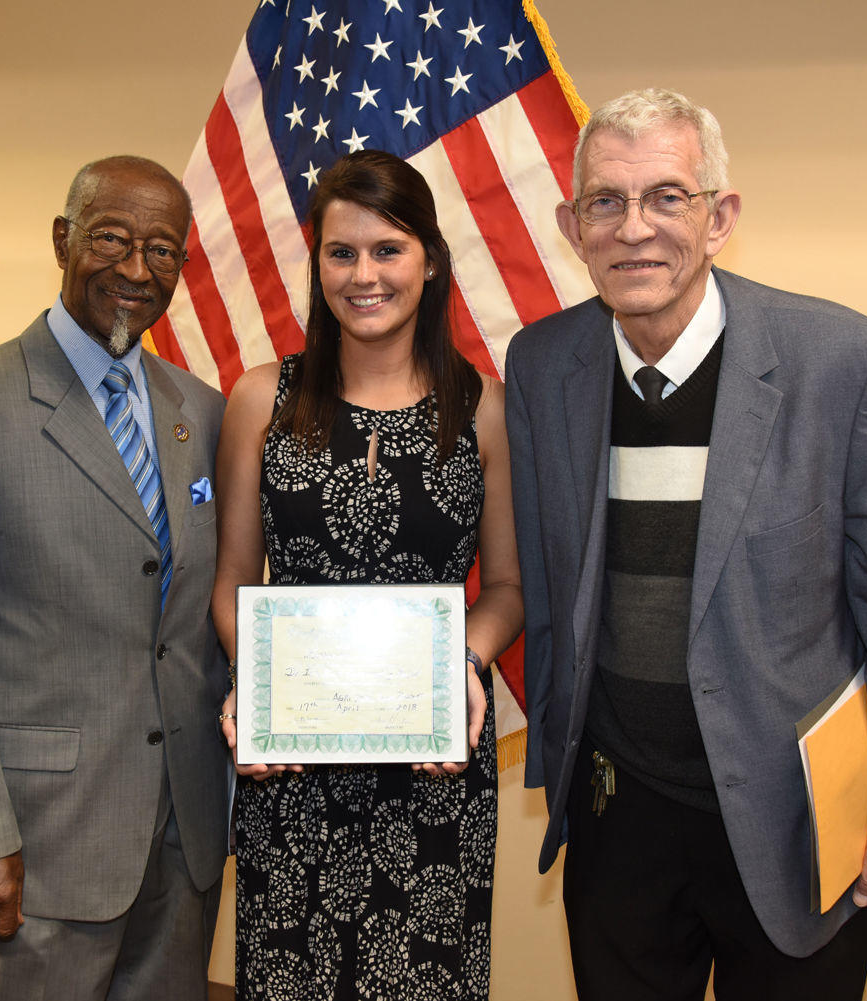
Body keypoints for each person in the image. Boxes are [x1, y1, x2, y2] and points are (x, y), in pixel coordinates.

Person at [504, 88, 867, 1000]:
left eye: (666, 197)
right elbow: (553, 584)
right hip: (617, 812)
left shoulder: (850, 364)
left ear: (719, 217)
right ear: (572, 224)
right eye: (606, 201)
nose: (634, 228)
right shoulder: (541, 361)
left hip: (796, 819)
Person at [0, 155, 229, 1001]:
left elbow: (199, 612)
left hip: (182, 834)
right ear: (62, 239)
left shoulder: (200, 409)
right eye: (111, 237)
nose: (135, 269)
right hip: (37, 844)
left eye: (162, 250)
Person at [212, 149, 523, 1001]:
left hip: (434, 761)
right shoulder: (259, 398)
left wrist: (465, 661)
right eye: (341, 252)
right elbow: (235, 577)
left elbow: (507, 588)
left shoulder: (483, 406)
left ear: (429, 260)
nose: (364, 274)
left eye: (387, 249)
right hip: (293, 763)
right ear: (316, 265)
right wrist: (259, 681)